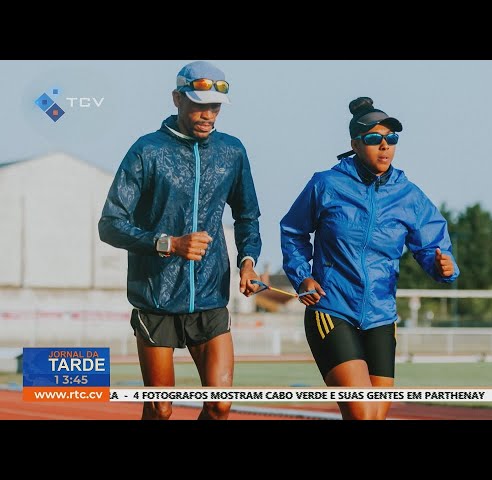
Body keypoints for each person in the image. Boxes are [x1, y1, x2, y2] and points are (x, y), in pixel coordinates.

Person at [99, 61, 262, 420]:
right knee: (161, 409)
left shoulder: (232, 151)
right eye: (199, 105)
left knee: (220, 406)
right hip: (155, 296)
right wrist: (168, 244)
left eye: (214, 107)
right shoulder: (147, 150)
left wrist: (248, 262)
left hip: (209, 295)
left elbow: (247, 216)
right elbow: (110, 224)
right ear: (177, 99)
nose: (207, 114)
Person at [280, 97, 459, 420]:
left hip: (381, 316)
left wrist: (443, 266)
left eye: (391, 139)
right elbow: (293, 231)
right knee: (362, 413)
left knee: (374, 416)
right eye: (374, 139)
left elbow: (432, 246)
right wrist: (301, 276)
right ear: (355, 144)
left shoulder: (408, 195)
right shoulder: (327, 184)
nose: (384, 146)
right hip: (332, 309)